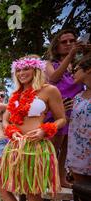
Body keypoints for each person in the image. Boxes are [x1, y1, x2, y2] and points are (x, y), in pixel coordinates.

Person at [0, 55, 66, 201]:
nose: (21, 73)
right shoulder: (15, 94)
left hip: (36, 145)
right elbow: (5, 120)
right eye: (18, 70)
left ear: (36, 69)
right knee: (3, 186)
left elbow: (62, 119)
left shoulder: (49, 90)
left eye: (25, 69)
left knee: (33, 191)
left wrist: (44, 130)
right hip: (15, 145)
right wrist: (10, 130)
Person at [45, 29, 87, 187]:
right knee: (53, 147)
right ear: (56, 46)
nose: (69, 44)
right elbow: (54, 78)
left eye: (72, 41)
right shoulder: (49, 64)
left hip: (74, 109)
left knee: (66, 148)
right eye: (64, 42)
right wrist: (70, 56)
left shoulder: (80, 65)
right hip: (57, 109)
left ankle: (61, 179)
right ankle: (48, 179)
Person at [67, 55, 91, 183]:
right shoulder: (77, 97)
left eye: (75, 70)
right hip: (78, 157)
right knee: (81, 194)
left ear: (88, 70)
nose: (72, 74)